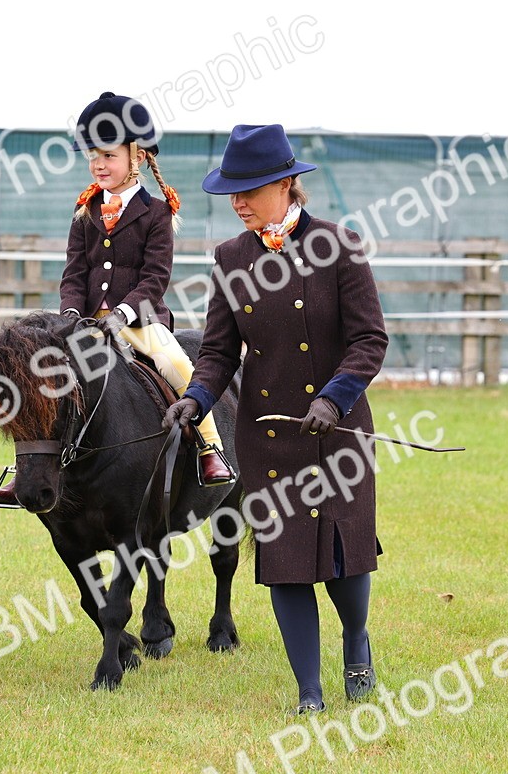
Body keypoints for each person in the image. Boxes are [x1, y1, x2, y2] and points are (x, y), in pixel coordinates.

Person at [163, 124, 389, 712]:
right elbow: (217, 352)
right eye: (231, 193)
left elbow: (370, 340)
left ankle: (356, 641)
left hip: (338, 435)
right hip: (268, 440)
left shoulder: (340, 246)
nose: (237, 203)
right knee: (286, 566)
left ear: (287, 184)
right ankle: (309, 693)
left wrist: (335, 397)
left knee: (343, 559)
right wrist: (196, 398)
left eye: (249, 190)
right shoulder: (229, 259)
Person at [0, 93, 233, 506]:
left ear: (135, 156)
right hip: (82, 324)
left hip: (139, 322)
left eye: (108, 156)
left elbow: (155, 277)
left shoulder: (156, 213)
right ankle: (27, 469)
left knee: (177, 364)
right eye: (92, 157)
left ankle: (210, 449)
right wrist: (69, 314)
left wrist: (120, 314)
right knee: (43, 383)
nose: (98, 164)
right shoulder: (85, 211)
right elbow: (74, 272)